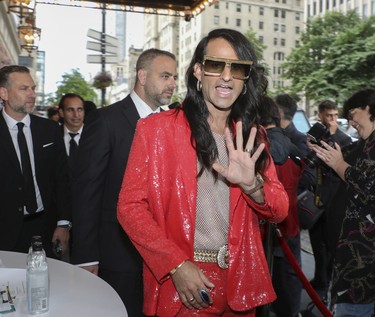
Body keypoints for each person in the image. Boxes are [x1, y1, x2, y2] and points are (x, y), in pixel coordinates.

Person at [117, 28, 288, 317]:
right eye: (215, 64)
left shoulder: (252, 137)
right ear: (198, 70)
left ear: (246, 78)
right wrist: (176, 265)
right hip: (184, 283)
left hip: (241, 283)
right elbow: (129, 207)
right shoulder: (156, 131)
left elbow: (280, 210)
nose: (226, 76)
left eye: (238, 68)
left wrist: (253, 186)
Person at [70, 48, 178, 317]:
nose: (173, 84)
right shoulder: (106, 121)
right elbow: (86, 192)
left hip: (164, 255)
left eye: (174, 77)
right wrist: (86, 256)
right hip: (118, 255)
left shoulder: (172, 124)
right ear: (142, 76)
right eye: (165, 76)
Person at [308, 88, 375, 317]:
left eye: (353, 113)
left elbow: (369, 186)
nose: (351, 121)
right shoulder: (364, 145)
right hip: (354, 256)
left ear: (369, 108)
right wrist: (325, 152)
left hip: (364, 265)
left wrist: (338, 165)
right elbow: (346, 154)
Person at [0, 65, 71, 258]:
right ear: (4, 93)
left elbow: (61, 179)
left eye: (33, 88)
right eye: (23, 89)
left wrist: (64, 223)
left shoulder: (50, 130)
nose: (32, 94)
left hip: (45, 229)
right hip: (4, 231)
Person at [259, 96, 303, 317]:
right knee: (289, 277)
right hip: (290, 221)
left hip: (271, 225)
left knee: (275, 279)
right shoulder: (293, 144)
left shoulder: (262, 148)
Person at [307, 100, 352, 292]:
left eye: (335, 115)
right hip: (318, 198)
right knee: (317, 244)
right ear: (320, 116)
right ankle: (320, 280)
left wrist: (333, 136)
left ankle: (332, 284)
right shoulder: (316, 134)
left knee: (333, 245)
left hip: (335, 200)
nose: (333, 119)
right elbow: (308, 162)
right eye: (329, 116)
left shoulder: (344, 139)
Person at [58, 93, 85, 165]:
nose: (76, 114)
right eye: (70, 110)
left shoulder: (95, 135)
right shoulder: (52, 136)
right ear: (61, 113)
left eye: (80, 109)